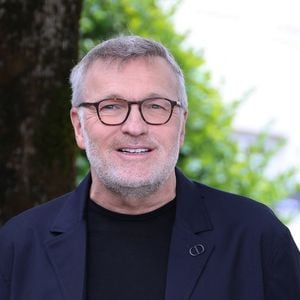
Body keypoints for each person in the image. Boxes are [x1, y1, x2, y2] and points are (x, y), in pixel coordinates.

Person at [0, 35, 299, 300]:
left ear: (181, 126)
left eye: (155, 106)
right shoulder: (18, 246)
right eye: (111, 106)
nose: (134, 126)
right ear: (79, 126)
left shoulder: (256, 238)